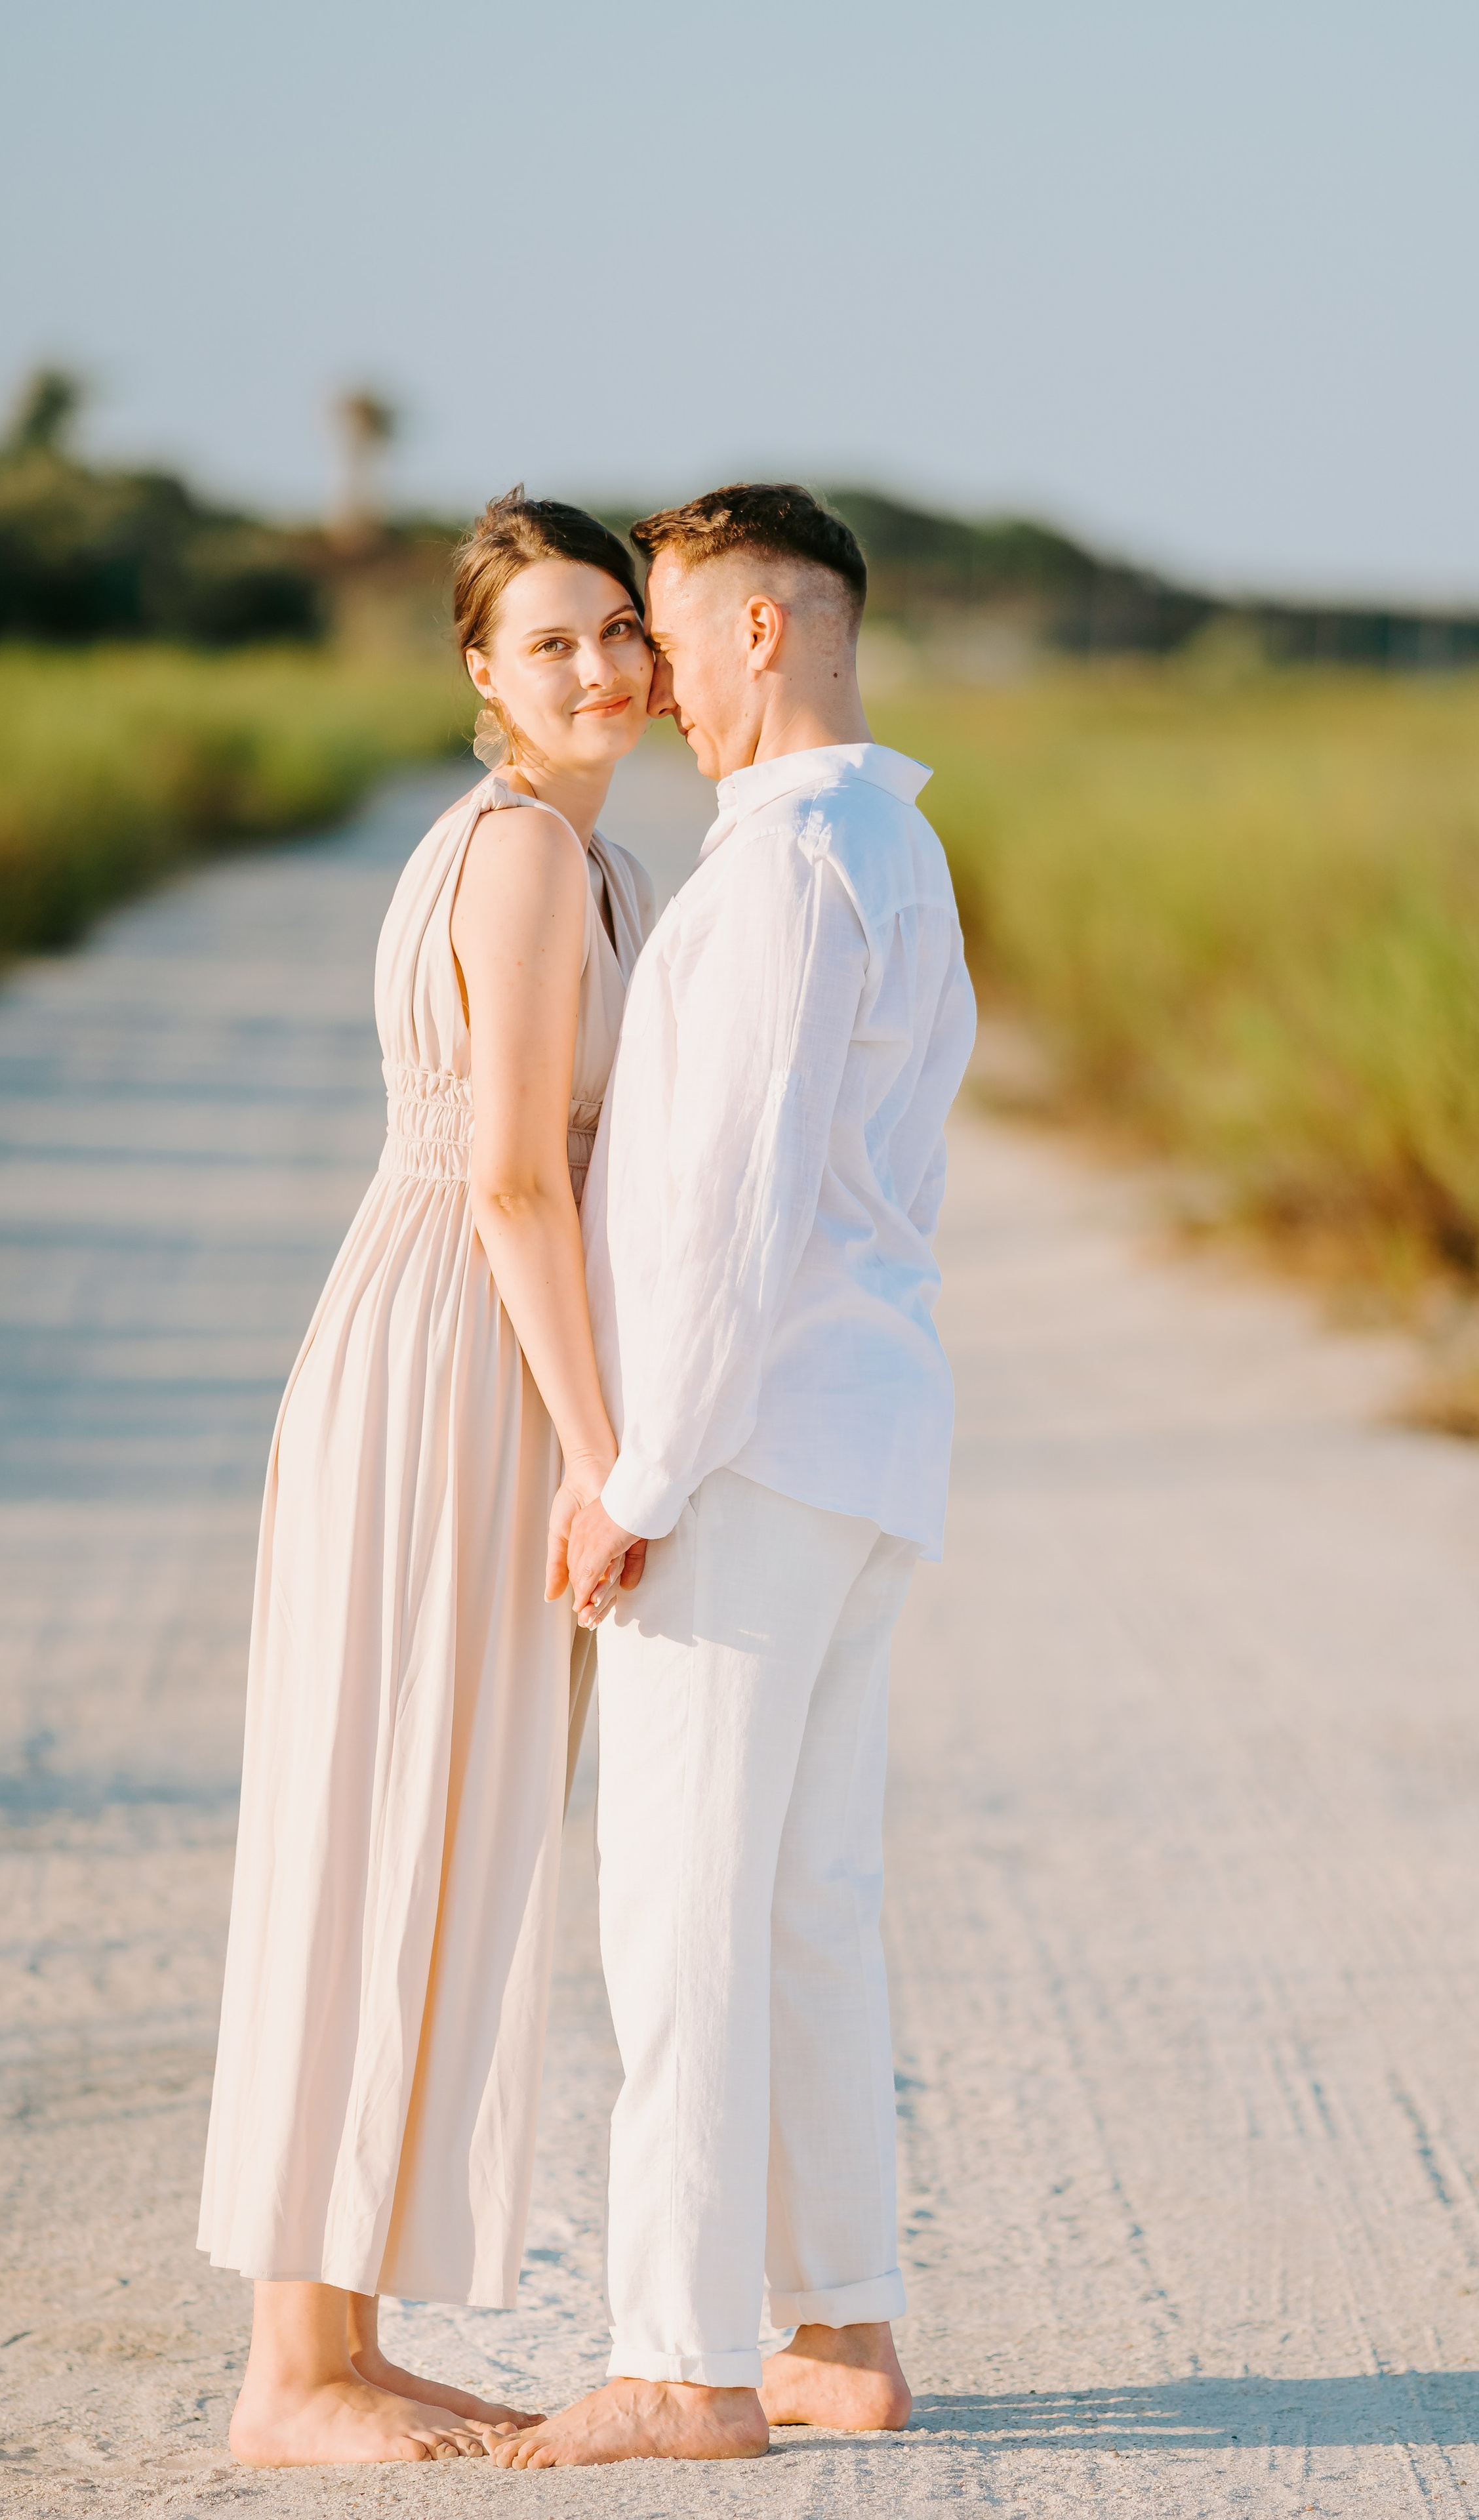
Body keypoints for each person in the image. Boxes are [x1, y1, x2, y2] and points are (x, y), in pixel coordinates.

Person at [493, 482, 977, 2469]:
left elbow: (741, 1207)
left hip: (752, 1454)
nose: (651, 684)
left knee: (683, 1909)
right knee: (805, 1900)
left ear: (761, 633)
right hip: (860, 1448)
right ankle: (840, 2330)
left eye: (672, 643)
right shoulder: (899, 841)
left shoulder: (783, 865)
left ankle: (685, 2362)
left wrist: (640, 1470)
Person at [198, 489, 655, 2466]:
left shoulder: (581, 847)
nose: (599, 664)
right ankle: (290, 2374)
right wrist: (606, 1446)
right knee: (372, 1825)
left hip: (466, 1338)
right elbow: (511, 1175)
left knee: (425, 1831)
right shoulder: (530, 853)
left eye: (618, 626)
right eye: (549, 640)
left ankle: (345, 2344)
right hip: (456, 1350)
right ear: (481, 674)